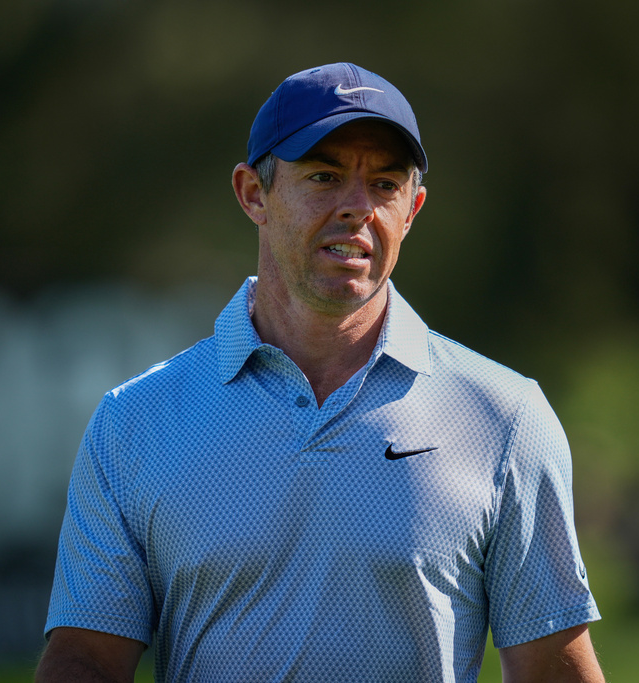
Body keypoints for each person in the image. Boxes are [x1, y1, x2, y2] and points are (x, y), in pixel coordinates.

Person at [35, 62, 604, 683]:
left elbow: (554, 670)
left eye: (384, 185)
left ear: (411, 209)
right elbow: (85, 660)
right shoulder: (137, 422)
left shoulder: (505, 416)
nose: (357, 209)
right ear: (254, 193)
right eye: (325, 177)